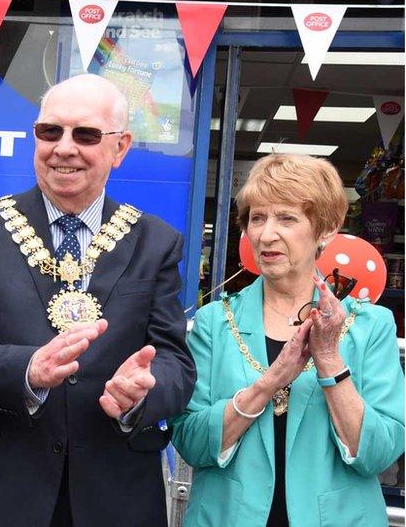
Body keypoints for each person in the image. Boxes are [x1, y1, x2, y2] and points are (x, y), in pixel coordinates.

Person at [0, 73, 196, 526]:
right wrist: (28, 370)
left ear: (120, 147)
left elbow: (174, 361)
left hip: (115, 495)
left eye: (87, 134)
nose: (64, 147)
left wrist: (142, 393)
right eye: (50, 131)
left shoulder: (156, 241)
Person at [171, 154, 405, 527]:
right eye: (257, 218)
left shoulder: (369, 325)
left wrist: (328, 358)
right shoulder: (216, 321)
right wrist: (268, 384)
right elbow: (192, 442)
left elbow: (379, 453)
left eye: (287, 218)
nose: (265, 234)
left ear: (325, 229)